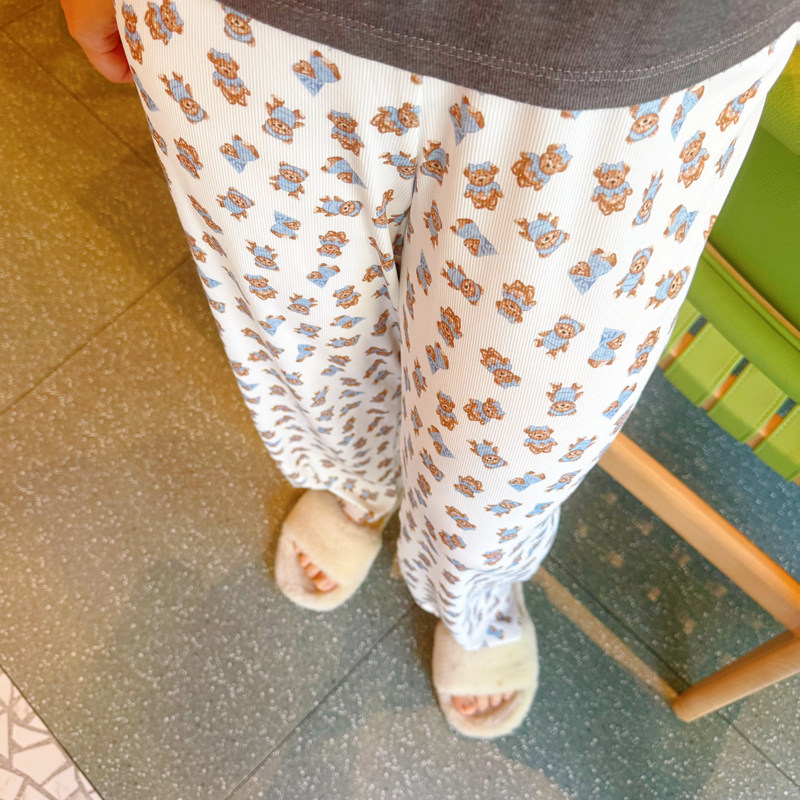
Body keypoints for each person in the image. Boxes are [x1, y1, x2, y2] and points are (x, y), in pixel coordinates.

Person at [61, 0, 799, 739]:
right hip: (259, 26)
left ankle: (473, 588)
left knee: (514, 445)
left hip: (639, 60)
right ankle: (355, 489)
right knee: (307, 343)